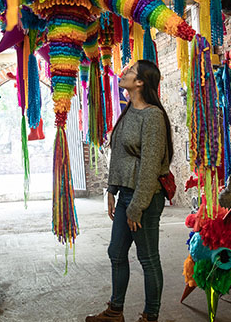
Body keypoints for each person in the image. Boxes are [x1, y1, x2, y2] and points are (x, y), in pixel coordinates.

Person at [87, 60, 173, 322]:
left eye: (130, 71)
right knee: (116, 251)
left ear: (140, 83)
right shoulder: (128, 112)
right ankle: (116, 311)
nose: (124, 73)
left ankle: (151, 315)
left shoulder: (153, 117)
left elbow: (149, 167)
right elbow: (119, 157)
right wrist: (111, 191)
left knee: (147, 258)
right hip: (125, 194)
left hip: (144, 198)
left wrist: (137, 206)